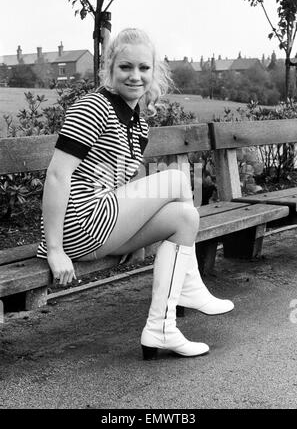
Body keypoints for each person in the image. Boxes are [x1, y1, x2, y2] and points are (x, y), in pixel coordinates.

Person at [37, 28, 234, 360]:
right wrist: (55, 250)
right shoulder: (94, 107)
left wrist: (136, 234)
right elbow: (57, 176)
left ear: (154, 71)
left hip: (103, 224)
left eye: (144, 68)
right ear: (111, 67)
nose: (135, 76)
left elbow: (115, 183)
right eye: (126, 67)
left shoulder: (137, 123)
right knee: (176, 179)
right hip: (78, 225)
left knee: (185, 217)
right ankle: (189, 285)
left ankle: (161, 327)